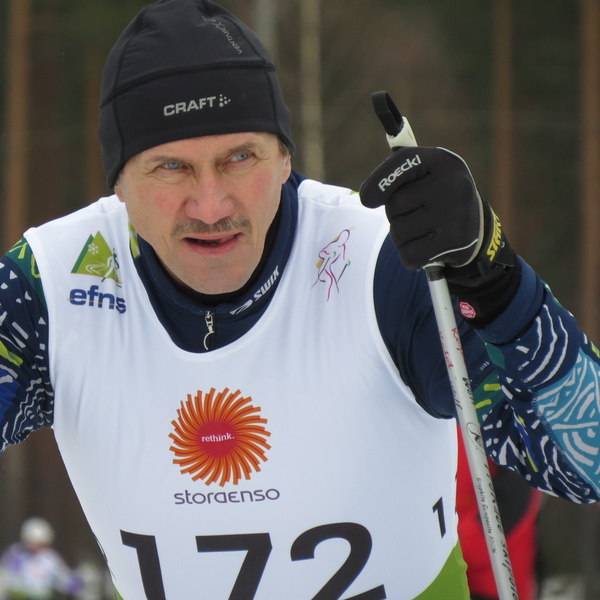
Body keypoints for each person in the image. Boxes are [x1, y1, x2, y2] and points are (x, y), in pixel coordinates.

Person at [0, 0, 598, 597]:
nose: (210, 206)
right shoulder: (51, 287)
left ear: (286, 157)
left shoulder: (384, 264)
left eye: (240, 158)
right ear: (118, 183)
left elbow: (587, 461)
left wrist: (496, 283)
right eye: (171, 167)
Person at [456, 428, 542, 600]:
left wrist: (461, 542)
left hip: (494, 581)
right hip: (451, 570)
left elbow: (515, 497)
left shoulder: (497, 420)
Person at [0, 517, 83, 600]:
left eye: (42, 544)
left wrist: (79, 583)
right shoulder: (15, 554)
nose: (39, 548)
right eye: (36, 543)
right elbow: (4, 576)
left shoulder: (50, 558)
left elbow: (63, 579)